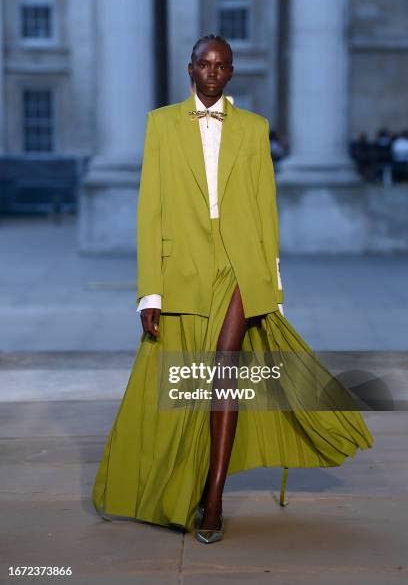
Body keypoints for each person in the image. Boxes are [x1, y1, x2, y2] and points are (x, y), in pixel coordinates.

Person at [92, 34, 374, 544]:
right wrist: (149, 292)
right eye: (205, 64)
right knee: (190, 381)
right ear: (190, 68)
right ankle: (187, 482)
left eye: (222, 66)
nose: (213, 74)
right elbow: (149, 210)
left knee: (225, 369)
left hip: (242, 263)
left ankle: (215, 496)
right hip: (185, 267)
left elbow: (266, 208)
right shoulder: (161, 124)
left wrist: (274, 285)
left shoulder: (254, 128)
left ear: (231, 72)